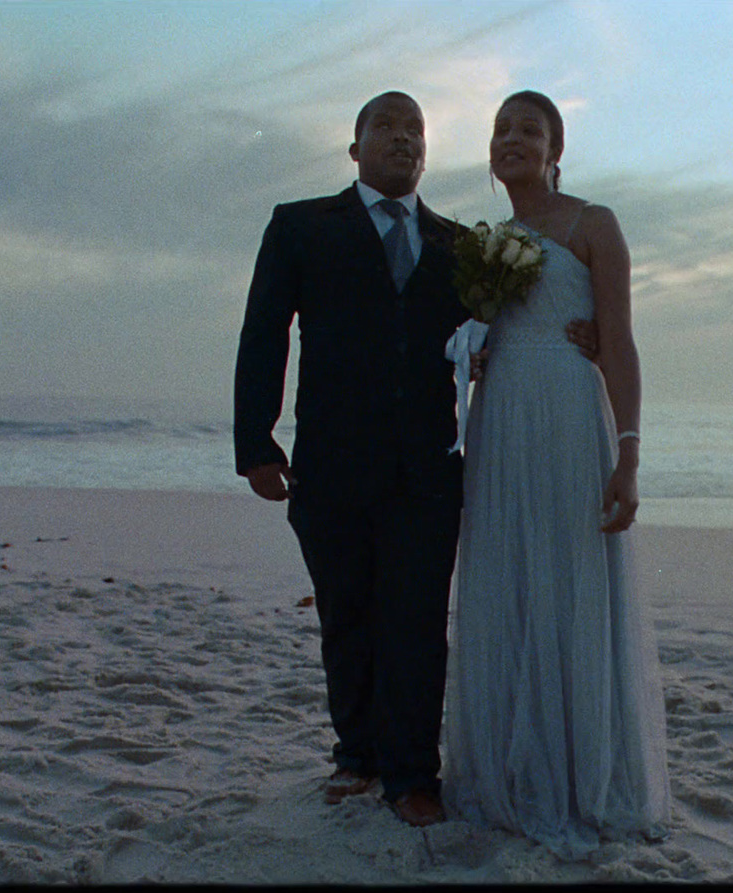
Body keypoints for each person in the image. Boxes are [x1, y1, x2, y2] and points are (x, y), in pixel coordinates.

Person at [232, 91, 595, 828]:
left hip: (427, 469)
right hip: (329, 463)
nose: (403, 139)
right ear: (355, 146)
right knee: (347, 613)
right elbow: (265, 332)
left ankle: (411, 775)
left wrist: (579, 333)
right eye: (386, 127)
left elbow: (505, 324)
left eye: (415, 130)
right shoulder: (302, 225)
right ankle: (356, 755)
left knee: (419, 621)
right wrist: (255, 443)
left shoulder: (461, 245)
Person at [442, 91, 670, 858]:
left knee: (570, 581)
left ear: (555, 148)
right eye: (501, 129)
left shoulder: (592, 224)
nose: (511, 139)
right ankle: (511, 767)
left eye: (528, 130)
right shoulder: (483, 244)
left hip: (571, 421)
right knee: (506, 582)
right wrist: (474, 351)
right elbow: (474, 330)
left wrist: (630, 453)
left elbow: (621, 344)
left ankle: (579, 776)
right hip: (502, 421)